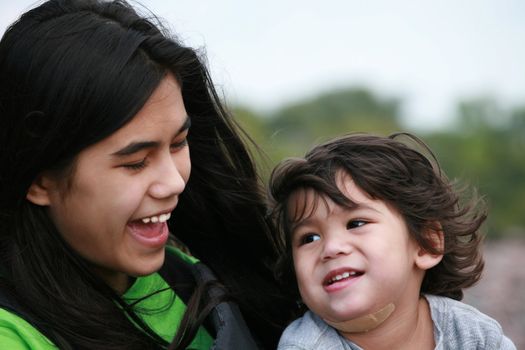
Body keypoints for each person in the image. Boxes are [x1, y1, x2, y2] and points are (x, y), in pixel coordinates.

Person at [0, 0, 294, 349]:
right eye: (136, 162)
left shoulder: (196, 280)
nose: (174, 182)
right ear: (40, 180)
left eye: (178, 143)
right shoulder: (14, 334)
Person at [269, 132, 516, 349]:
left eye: (355, 224)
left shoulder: (472, 334)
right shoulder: (305, 346)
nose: (331, 249)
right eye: (309, 238)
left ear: (426, 244)